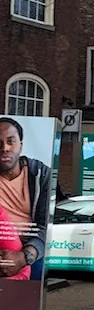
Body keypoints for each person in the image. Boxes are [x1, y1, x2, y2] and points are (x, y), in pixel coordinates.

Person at [0, 117, 50, 280]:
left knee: (35, 278)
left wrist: (24, 257)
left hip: (29, 248)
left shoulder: (40, 175)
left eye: (11, 141)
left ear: (20, 145)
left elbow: (45, 225)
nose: (5, 148)